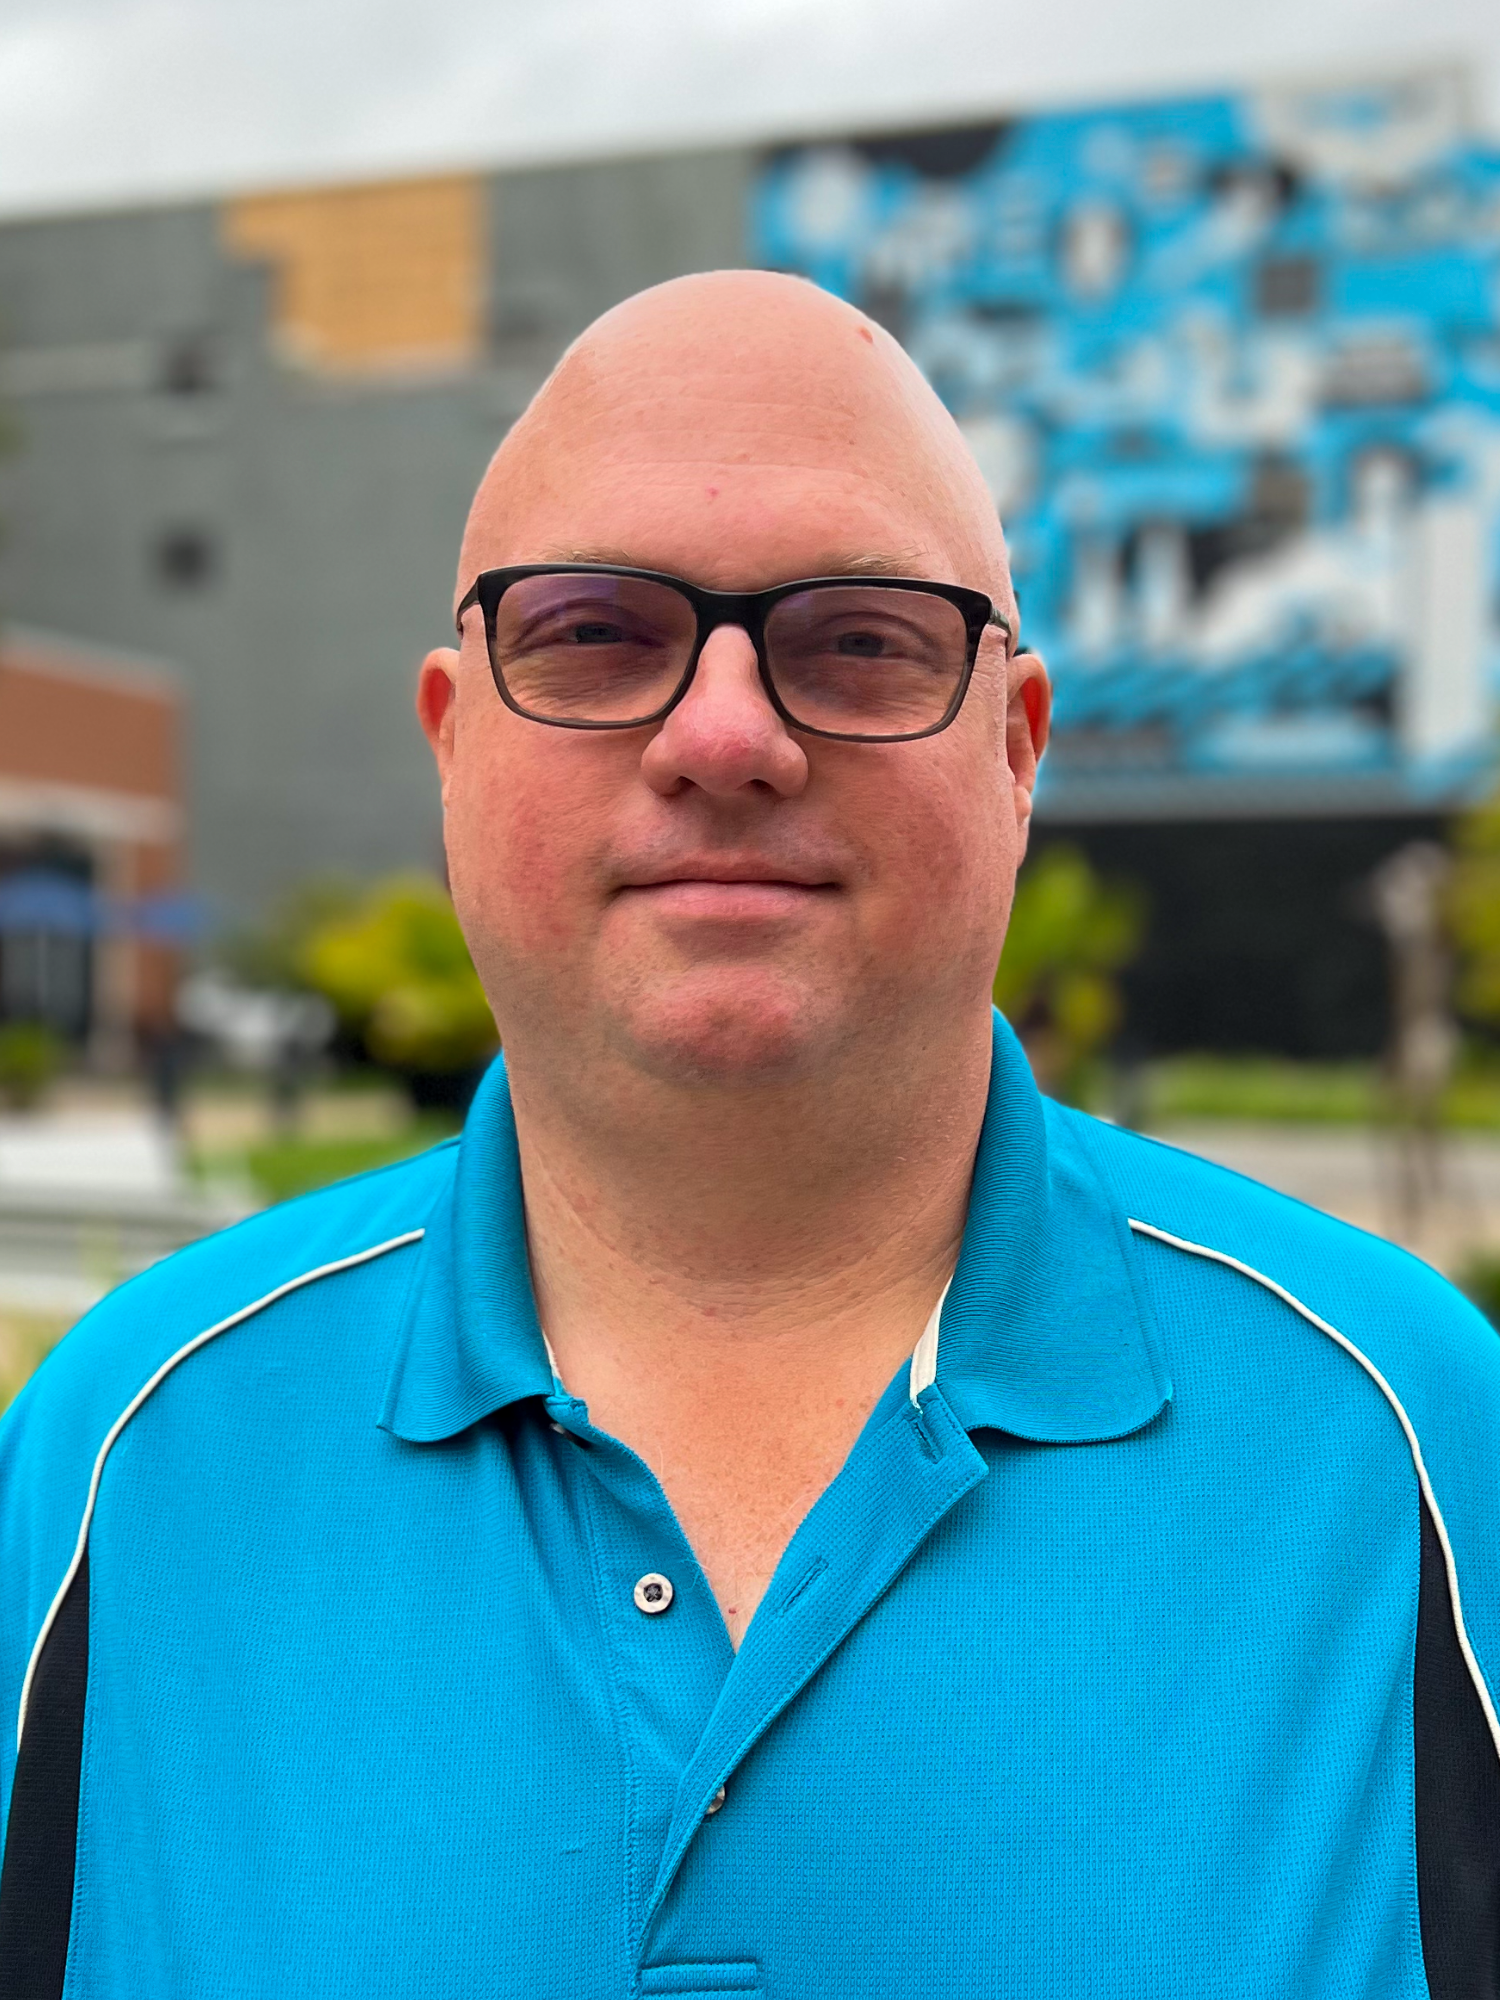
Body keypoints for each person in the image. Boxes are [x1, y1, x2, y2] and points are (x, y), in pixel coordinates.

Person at [1, 271, 1496, 1999]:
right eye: (593, 633)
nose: (724, 736)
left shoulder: (1419, 1451)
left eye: (861, 638)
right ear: (453, 745)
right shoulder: (118, 1468)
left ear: (1017, 753)